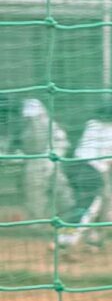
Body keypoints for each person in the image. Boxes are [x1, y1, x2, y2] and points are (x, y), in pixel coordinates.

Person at [60, 97, 112, 247]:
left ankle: (92, 239)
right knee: (89, 208)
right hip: (91, 172)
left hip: (74, 168)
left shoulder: (91, 125)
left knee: (83, 205)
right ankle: (65, 240)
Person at [15, 94, 71, 228]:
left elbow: (58, 142)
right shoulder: (22, 123)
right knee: (36, 189)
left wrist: (50, 159)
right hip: (35, 158)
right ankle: (38, 221)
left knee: (58, 188)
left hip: (50, 155)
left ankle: (67, 217)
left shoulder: (46, 123)